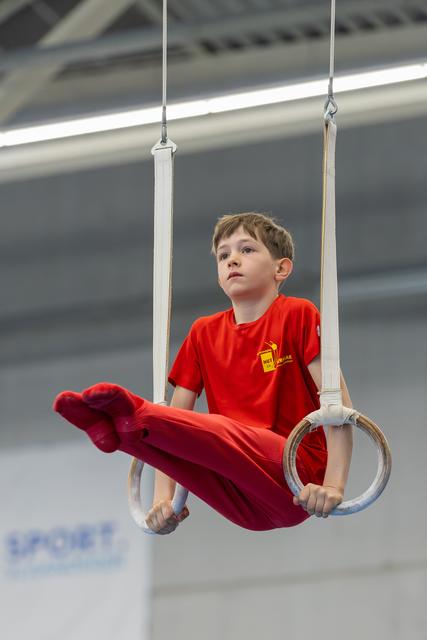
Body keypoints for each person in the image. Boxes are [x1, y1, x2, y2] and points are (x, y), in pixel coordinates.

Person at [54, 212, 353, 535]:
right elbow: (179, 424)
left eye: (247, 250)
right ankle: (121, 436)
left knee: (218, 431)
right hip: (238, 493)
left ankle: (136, 416)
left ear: (281, 268)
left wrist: (333, 486)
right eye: (223, 255)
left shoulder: (298, 315)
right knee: (186, 439)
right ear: (218, 275)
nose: (232, 260)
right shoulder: (203, 333)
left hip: (295, 473)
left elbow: (338, 410)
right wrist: (163, 501)